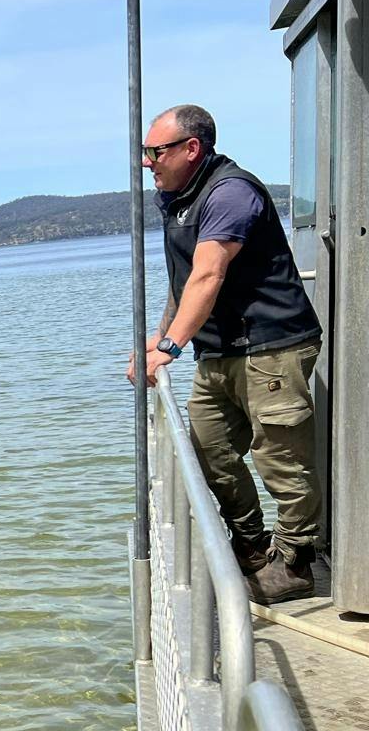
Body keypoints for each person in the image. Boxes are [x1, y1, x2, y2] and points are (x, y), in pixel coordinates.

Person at [128, 103, 323, 604]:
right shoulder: (177, 198)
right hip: (218, 350)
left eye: (155, 151)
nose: (147, 161)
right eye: (144, 152)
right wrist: (161, 334)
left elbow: (210, 272)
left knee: (281, 456)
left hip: (271, 345)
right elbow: (186, 279)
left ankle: (296, 561)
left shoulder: (231, 192)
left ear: (191, 149)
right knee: (209, 449)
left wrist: (170, 347)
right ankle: (253, 547)